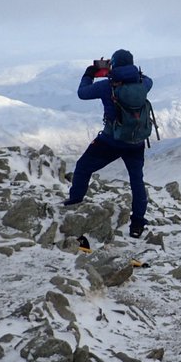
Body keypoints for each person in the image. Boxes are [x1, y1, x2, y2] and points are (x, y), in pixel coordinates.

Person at [64, 49, 154, 237]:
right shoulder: (143, 83)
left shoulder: (107, 86)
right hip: (136, 142)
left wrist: (90, 73)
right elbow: (149, 80)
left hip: (110, 141)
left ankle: (74, 202)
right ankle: (137, 224)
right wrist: (132, 74)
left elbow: (82, 93)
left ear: (114, 64)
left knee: (83, 167)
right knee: (136, 181)